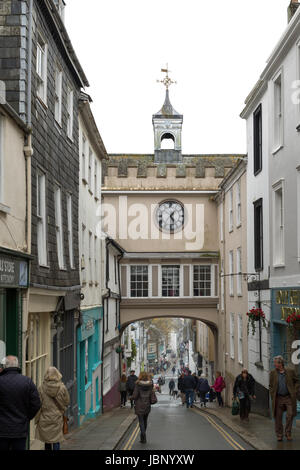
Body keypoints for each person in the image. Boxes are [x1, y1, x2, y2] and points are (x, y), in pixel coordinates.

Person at [0, 356, 41, 451]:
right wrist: (27, 417)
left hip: (2, 429)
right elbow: (36, 404)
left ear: (4, 366)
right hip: (20, 428)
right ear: (17, 365)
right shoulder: (27, 382)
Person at [35, 366, 70, 451]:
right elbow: (67, 401)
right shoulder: (62, 388)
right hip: (57, 418)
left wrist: (37, 419)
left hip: (45, 417)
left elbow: (38, 404)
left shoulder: (41, 388)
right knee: (56, 440)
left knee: (47, 440)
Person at [269, 355, 300, 442]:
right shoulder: (273, 373)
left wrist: (294, 390)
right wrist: (272, 395)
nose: (274, 364)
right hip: (278, 398)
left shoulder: (290, 371)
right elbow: (271, 386)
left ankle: (288, 433)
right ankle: (279, 435)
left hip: (289, 397)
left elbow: (297, 381)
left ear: (280, 363)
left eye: (275, 363)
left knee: (290, 415)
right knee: (278, 418)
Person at [131, 371, 155, 444]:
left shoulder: (138, 384)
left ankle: (143, 434)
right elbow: (151, 394)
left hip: (139, 405)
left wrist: (130, 397)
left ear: (140, 376)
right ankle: (143, 436)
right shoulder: (150, 384)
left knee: (141, 421)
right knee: (145, 421)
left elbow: (135, 395)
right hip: (147, 405)